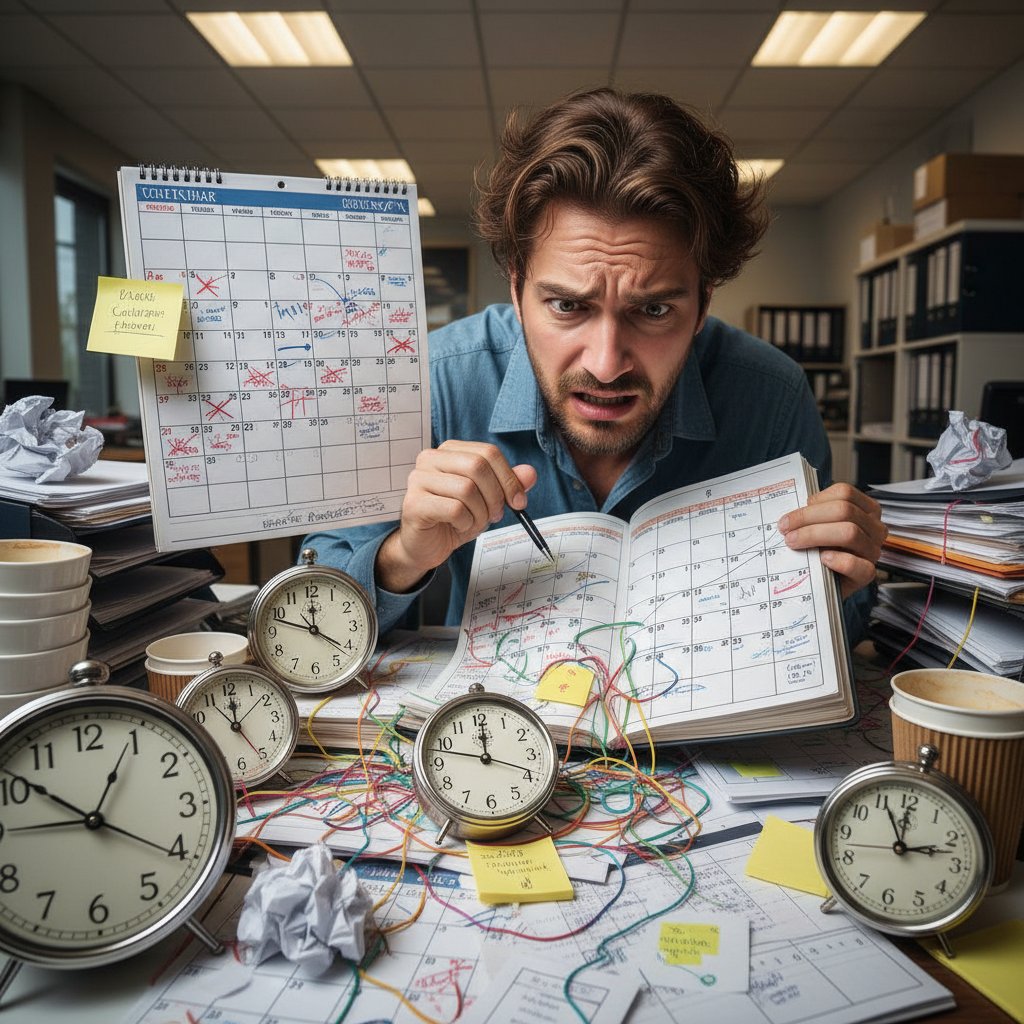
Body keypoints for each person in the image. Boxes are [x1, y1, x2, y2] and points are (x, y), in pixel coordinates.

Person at [303, 88, 886, 641]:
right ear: (516, 289)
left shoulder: (772, 396)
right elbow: (311, 605)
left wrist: (841, 582)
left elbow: (838, 631)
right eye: (566, 305)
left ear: (704, 302)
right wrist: (405, 555)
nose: (606, 365)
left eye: (654, 309)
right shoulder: (439, 379)